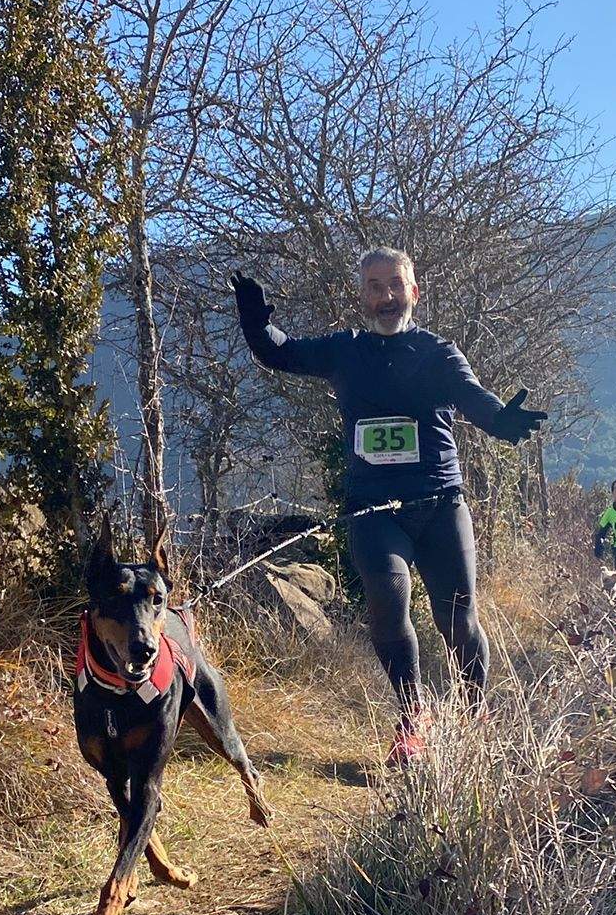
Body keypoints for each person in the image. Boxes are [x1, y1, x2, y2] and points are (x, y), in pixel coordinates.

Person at [231, 248, 547, 762]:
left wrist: (500, 420)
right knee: (387, 602)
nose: (386, 296)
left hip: (440, 505)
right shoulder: (345, 351)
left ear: (413, 292)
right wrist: (255, 322)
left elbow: (473, 397)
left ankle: (474, 715)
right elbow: (280, 352)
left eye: (395, 285)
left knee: (457, 616)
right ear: (363, 296)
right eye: (375, 287)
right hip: (374, 511)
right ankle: (413, 717)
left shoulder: (437, 353)